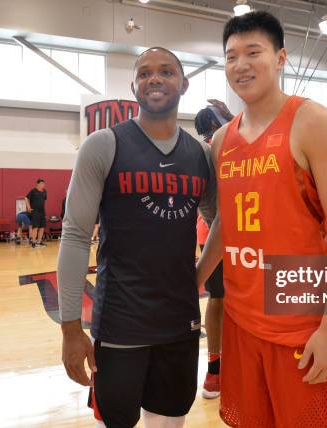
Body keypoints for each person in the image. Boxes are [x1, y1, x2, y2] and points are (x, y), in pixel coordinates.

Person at [196, 11, 327, 427]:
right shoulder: (221, 141)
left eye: (254, 52)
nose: (241, 64)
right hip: (240, 318)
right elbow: (226, 222)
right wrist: (196, 277)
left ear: (281, 57)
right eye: (231, 56)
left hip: (300, 321)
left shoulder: (314, 122)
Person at [58, 47, 216, 428]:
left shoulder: (202, 155)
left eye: (165, 71)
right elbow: (76, 236)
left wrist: (196, 277)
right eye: (145, 73)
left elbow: (220, 221)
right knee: (115, 422)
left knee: (169, 419)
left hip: (180, 322)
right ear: (134, 87)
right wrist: (70, 329)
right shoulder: (103, 144)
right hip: (119, 322)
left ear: (184, 83)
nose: (155, 78)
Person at [194, 104, 231, 399]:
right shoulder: (225, 146)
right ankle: (219, 370)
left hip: (209, 234)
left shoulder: (201, 150)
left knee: (218, 300)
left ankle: (214, 371)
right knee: (233, 301)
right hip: (227, 235)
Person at [25, 179, 47, 248]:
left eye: (44, 184)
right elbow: (26, 198)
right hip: (35, 212)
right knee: (35, 227)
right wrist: (28, 207)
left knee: (42, 227)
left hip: (42, 212)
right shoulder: (33, 191)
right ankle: (33, 243)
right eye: (41, 183)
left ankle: (39, 242)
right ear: (37, 184)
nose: (43, 185)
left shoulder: (44, 191)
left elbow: (43, 201)